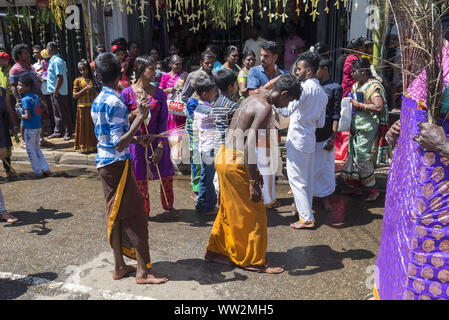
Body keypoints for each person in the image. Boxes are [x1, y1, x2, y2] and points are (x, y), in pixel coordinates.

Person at [205, 74, 301, 273]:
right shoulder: (265, 108)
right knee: (253, 212)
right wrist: (253, 181)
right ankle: (252, 260)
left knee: (229, 209)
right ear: (283, 94)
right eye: (288, 100)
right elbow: (249, 144)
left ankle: (218, 251)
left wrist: (253, 172)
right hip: (236, 159)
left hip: (224, 155)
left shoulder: (254, 97)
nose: (286, 105)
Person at [91, 52, 168, 285]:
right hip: (117, 165)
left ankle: (119, 266)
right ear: (120, 75)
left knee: (116, 217)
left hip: (105, 163)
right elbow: (118, 143)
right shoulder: (115, 101)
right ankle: (143, 272)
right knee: (136, 216)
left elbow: (109, 138)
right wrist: (140, 118)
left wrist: (137, 139)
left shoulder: (99, 99)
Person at [274, 51, 328, 229]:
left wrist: (272, 102)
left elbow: (287, 111)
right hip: (309, 139)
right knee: (306, 180)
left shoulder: (304, 89)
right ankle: (302, 210)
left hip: (298, 138)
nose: (297, 72)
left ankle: (306, 218)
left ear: (309, 71)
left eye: (299, 69)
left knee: (297, 179)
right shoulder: (322, 92)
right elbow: (320, 123)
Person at [121, 56, 179, 217]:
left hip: (157, 138)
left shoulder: (159, 94)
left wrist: (161, 145)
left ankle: (168, 205)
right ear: (140, 70)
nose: (156, 72)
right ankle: (143, 209)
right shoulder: (127, 93)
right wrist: (136, 112)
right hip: (137, 141)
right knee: (139, 176)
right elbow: (122, 119)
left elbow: (164, 121)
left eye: (156, 68)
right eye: (152, 69)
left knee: (165, 173)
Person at [341, 58, 387, 202]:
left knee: (362, 156)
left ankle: (373, 190)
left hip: (367, 127)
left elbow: (379, 107)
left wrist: (359, 105)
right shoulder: (356, 86)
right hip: (356, 126)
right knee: (353, 154)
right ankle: (356, 187)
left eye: (354, 71)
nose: (352, 73)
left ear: (363, 71)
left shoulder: (373, 86)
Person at [247, 40, 285, 209]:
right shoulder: (255, 71)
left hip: (273, 124)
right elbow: (252, 94)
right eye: (261, 55)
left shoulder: (282, 73)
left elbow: (280, 98)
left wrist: (266, 91)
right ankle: (263, 196)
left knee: (270, 161)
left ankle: (268, 197)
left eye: (266, 56)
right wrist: (273, 84)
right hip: (258, 124)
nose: (262, 58)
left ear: (275, 57)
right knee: (260, 160)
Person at [181, 51, 217, 201]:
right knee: (196, 153)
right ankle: (196, 188)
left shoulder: (214, 77)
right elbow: (184, 95)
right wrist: (194, 105)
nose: (210, 65)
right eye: (207, 62)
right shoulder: (193, 76)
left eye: (212, 63)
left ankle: (208, 187)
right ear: (201, 62)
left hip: (210, 120)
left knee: (208, 153)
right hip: (195, 119)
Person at [314, 55, 342, 212]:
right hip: (311, 134)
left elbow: (336, 114)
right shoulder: (312, 86)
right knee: (310, 169)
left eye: (317, 68)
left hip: (326, 135)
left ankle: (325, 198)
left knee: (325, 169)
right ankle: (306, 199)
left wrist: (333, 136)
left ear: (324, 69)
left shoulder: (335, 88)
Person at [9, 44, 48, 146]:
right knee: (25, 120)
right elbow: (13, 86)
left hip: (35, 97)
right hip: (24, 99)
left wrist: (41, 97)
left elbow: (35, 82)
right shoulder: (15, 69)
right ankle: (23, 140)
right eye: (25, 53)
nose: (28, 55)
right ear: (19, 56)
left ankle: (41, 139)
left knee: (39, 117)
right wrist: (18, 100)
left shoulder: (30, 66)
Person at [335, 37, 366, 163]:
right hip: (349, 93)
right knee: (347, 122)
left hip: (350, 92)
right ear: (358, 48)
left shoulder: (351, 58)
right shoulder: (353, 60)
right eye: (363, 47)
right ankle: (342, 152)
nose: (364, 49)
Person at [192, 72, 218, 215]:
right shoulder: (210, 110)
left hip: (202, 146)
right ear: (205, 94)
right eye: (213, 91)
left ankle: (200, 203)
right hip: (210, 147)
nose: (216, 93)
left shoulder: (197, 108)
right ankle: (209, 206)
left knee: (204, 176)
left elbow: (195, 128)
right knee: (210, 178)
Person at [211, 69, 239, 193]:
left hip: (217, 149)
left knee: (220, 183)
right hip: (229, 150)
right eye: (236, 84)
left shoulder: (215, 104)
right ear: (230, 87)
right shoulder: (233, 106)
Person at [18, 76, 50, 177]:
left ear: (27, 87)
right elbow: (44, 105)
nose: (18, 87)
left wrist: (19, 114)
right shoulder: (35, 96)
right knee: (37, 148)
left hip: (30, 128)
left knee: (30, 150)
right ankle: (45, 168)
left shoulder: (25, 99)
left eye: (20, 85)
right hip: (38, 127)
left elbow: (27, 116)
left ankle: (37, 171)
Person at [159, 55, 188, 161]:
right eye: (176, 64)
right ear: (170, 64)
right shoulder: (165, 76)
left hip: (180, 108)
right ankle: (172, 156)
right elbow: (160, 91)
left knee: (181, 131)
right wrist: (168, 90)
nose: (179, 66)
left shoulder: (184, 75)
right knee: (171, 131)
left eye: (180, 63)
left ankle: (181, 156)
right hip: (170, 108)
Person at [46, 42, 74, 141]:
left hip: (58, 92)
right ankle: (58, 131)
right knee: (57, 113)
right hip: (56, 90)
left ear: (50, 49)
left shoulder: (56, 61)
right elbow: (65, 74)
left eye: (47, 49)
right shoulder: (55, 61)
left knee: (63, 112)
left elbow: (60, 77)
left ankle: (68, 132)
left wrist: (56, 90)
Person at [73, 60, 98, 154]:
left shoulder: (93, 80)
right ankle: (83, 146)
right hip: (82, 107)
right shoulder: (78, 80)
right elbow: (74, 95)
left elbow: (96, 93)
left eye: (85, 69)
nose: (83, 72)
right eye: (81, 70)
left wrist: (94, 89)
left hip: (92, 106)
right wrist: (85, 89)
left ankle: (93, 146)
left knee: (92, 127)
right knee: (83, 128)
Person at [32, 45, 52, 143]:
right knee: (44, 109)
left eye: (38, 52)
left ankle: (53, 128)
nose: (36, 54)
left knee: (51, 108)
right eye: (34, 52)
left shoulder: (48, 63)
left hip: (48, 88)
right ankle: (47, 129)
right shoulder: (35, 66)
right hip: (39, 90)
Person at [0, 84, 19, 180]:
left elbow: (9, 109)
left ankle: (7, 169)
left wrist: (14, 125)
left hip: (2, 124)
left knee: (4, 146)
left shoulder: (3, 91)